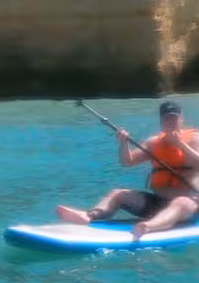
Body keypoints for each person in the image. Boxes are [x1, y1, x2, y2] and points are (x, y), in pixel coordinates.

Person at [56, 99, 199, 238]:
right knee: (118, 193)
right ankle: (88, 216)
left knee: (181, 202)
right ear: (161, 122)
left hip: (190, 206)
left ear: (181, 120)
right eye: (167, 119)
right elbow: (127, 161)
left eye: (175, 118)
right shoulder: (153, 143)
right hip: (157, 204)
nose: (171, 122)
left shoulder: (194, 139)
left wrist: (181, 145)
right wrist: (123, 143)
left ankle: (149, 227)